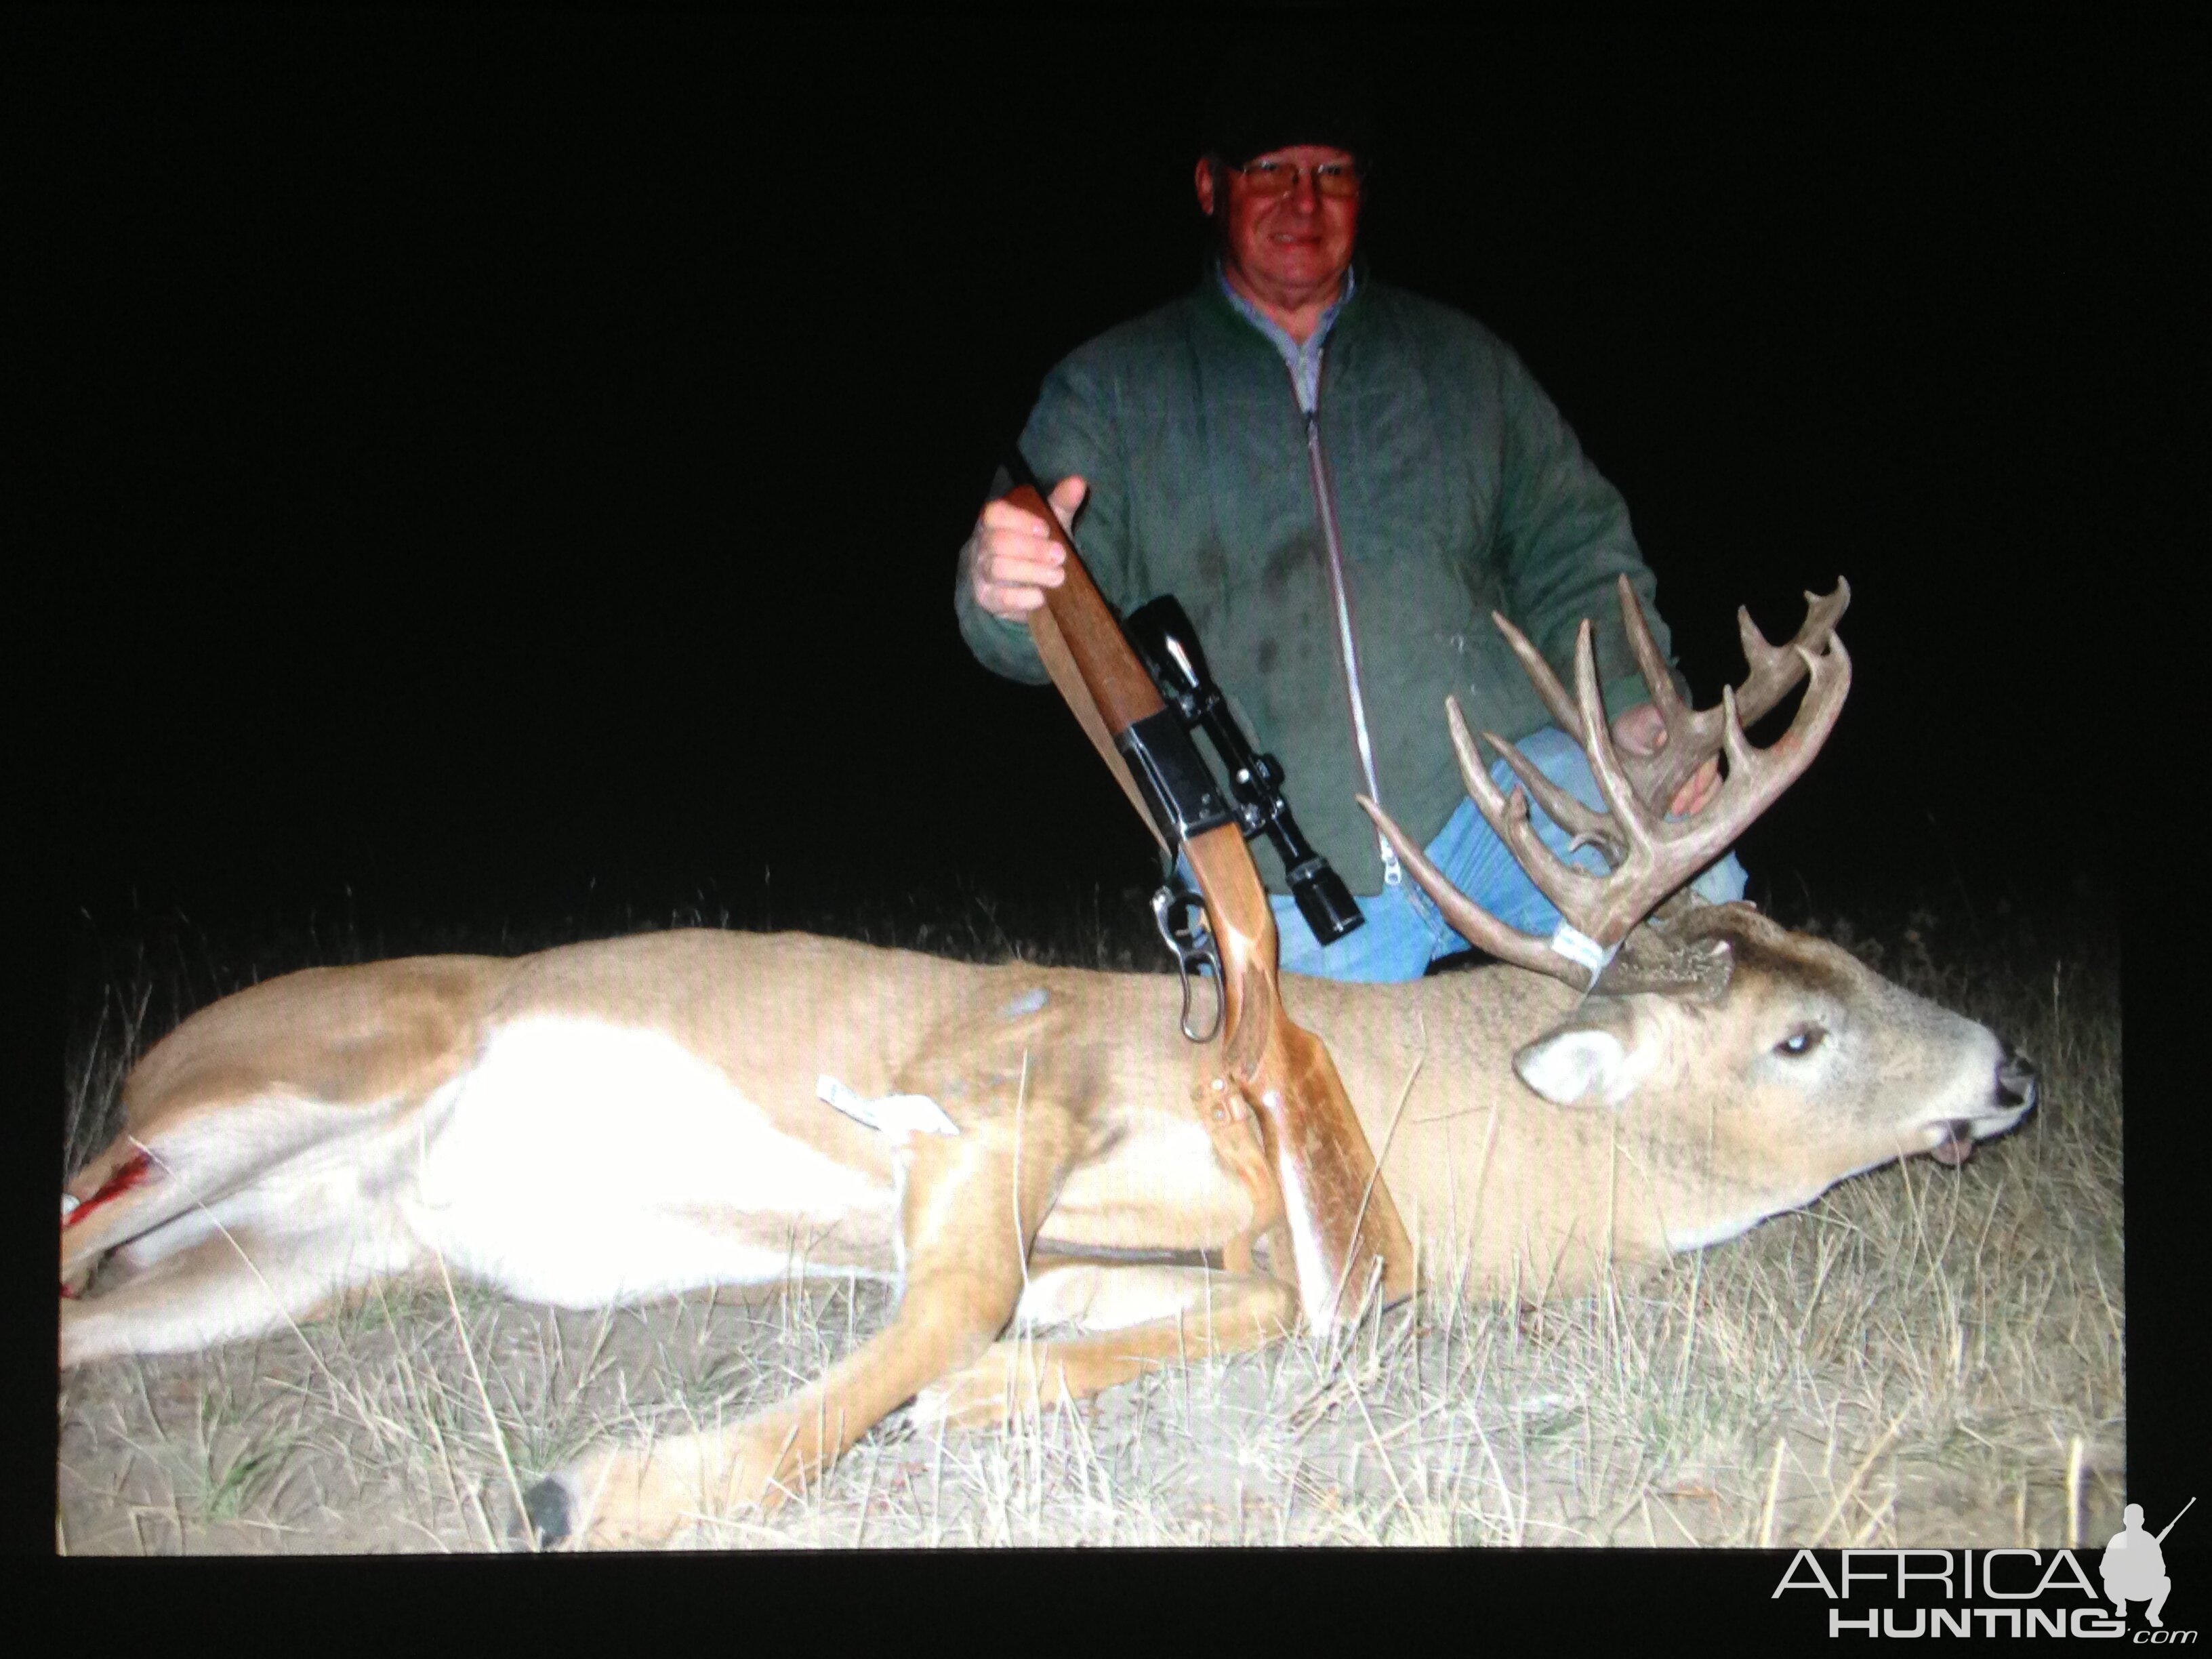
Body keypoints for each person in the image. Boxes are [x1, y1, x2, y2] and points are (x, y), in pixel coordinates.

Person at [956, 73, 1743, 983]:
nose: (1305, 201)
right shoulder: (1111, 388)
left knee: (1698, 896)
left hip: (1498, 804)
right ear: (1211, 188)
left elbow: (1575, 547)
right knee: (1293, 1117)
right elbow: (1033, 620)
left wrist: (1637, 703)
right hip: (1280, 865)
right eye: (1272, 170)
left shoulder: (1461, 363)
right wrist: (1000, 586)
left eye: (1332, 172)